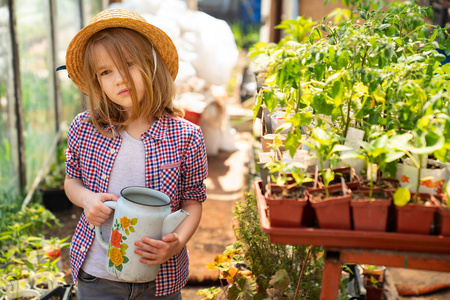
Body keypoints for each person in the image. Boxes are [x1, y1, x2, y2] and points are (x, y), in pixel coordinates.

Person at [63, 8, 208, 299]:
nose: (119, 79)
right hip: (97, 275)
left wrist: (176, 242)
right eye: (106, 72)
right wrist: (87, 199)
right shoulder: (84, 128)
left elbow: (192, 202)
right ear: (97, 82)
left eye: (128, 64)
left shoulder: (185, 136)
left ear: (152, 66)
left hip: (160, 280)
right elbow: (72, 181)